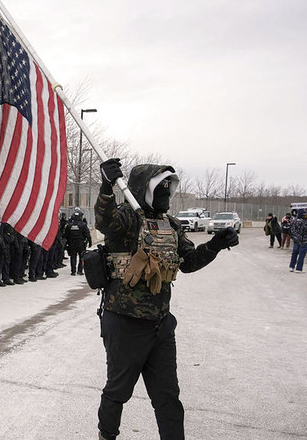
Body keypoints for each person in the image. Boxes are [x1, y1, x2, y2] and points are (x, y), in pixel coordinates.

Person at [95, 159, 238, 440]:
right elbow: (104, 221)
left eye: (168, 188)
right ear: (143, 189)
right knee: (118, 391)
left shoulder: (170, 224)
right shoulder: (127, 218)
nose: (166, 194)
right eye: (159, 188)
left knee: (168, 397)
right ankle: (106, 435)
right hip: (125, 323)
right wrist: (106, 186)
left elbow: (188, 262)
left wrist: (214, 246)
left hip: (160, 326)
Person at [64, 208, 92, 276]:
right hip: (81, 244)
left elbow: (66, 235)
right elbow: (87, 234)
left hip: (72, 243)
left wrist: (67, 243)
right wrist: (90, 242)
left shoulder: (69, 225)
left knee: (73, 257)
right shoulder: (83, 225)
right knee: (82, 257)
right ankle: (80, 270)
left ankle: (73, 271)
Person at [289, 209, 307, 273]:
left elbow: (292, 231)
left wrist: (296, 237)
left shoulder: (294, 221)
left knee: (295, 253)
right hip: (304, 240)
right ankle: (299, 268)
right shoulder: (305, 222)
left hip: (296, 240)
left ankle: (291, 266)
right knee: (301, 254)